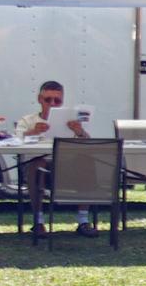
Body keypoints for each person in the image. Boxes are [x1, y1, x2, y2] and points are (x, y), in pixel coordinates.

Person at [16, 80, 91, 237]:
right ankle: (39, 222)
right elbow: (15, 142)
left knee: (86, 163)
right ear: (39, 99)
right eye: (48, 100)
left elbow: (87, 144)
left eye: (57, 101)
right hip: (36, 165)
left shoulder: (71, 121)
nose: (52, 104)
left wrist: (79, 132)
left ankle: (83, 221)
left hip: (65, 167)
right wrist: (32, 133)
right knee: (38, 163)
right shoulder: (28, 121)